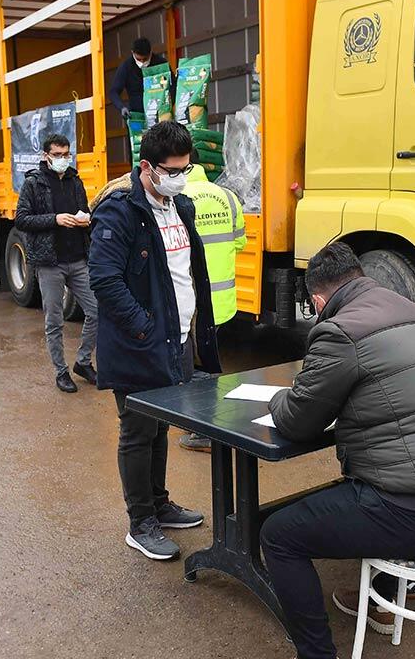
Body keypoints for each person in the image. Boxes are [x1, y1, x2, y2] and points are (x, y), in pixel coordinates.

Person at [260, 242, 415, 659]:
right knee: (373, 473)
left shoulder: (339, 331)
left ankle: (317, 656)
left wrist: (278, 399)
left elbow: (295, 420)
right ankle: (381, 599)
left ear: (317, 300)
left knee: (278, 535)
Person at [89, 120, 222, 561]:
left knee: (161, 424)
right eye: (172, 170)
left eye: (186, 168)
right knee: (136, 429)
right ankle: (140, 521)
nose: (180, 178)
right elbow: (104, 281)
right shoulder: (119, 211)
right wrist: (145, 327)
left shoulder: (180, 206)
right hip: (141, 342)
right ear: (147, 167)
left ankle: (160, 503)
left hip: (177, 339)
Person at [14, 133, 99, 393]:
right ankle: (61, 372)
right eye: (58, 155)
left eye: (66, 154)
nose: (63, 159)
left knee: (97, 311)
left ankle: (83, 362)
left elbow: (85, 212)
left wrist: (86, 220)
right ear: (46, 156)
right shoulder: (34, 183)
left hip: (77, 259)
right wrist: (55, 219)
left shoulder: (75, 181)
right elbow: (22, 219)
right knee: (55, 320)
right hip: (49, 262)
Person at [177, 148, 247, 453]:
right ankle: (211, 422)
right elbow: (240, 241)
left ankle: (204, 430)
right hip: (223, 299)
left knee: (196, 367)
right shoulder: (228, 196)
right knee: (210, 359)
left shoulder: (179, 199)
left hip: (192, 302)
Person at [108, 37, 168, 122]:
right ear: (133, 52)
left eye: (145, 59)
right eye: (139, 59)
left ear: (150, 52)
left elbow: (172, 85)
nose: (142, 62)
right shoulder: (126, 67)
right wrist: (122, 107)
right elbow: (113, 92)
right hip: (137, 115)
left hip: (160, 114)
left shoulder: (161, 64)